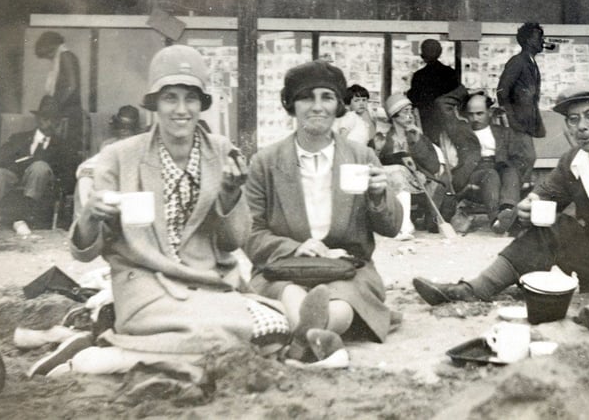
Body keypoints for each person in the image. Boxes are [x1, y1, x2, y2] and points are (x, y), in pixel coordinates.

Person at [50, 45, 293, 377]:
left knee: (275, 327)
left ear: (202, 104)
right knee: (223, 337)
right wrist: (90, 214)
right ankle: (109, 352)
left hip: (209, 283)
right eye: (170, 98)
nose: (181, 110)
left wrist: (230, 194)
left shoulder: (222, 152)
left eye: (191, 98)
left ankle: (117, 352)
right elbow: (85, 254)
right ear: (154, 104)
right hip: (145, 281)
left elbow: (233, 241)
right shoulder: (119, 157)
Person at [413, 82, 589, 334]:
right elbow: (544, 195)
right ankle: (474, 289)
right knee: (552, 226)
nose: (582, 127)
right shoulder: (574, 161)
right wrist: (527, 206)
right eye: (573, 119)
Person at [245, 60, 402, 360]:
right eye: (306, 97)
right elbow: (250, 232)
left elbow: (392, 227)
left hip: (348, 268)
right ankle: (319, 337)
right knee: (290, 293)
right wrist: (296, 247)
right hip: (283, 266)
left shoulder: (361, 155)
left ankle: (305, 339)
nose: (317, 107)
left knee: (341, 302)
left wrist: (380, 196)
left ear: (338, 106)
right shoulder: (265, 162)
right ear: (291, 105)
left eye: (327, 97)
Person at [0, 96, 72, 238]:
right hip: (15, 175)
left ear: (58, 122)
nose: (49, 123)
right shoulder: (19, 138)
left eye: (54, 119)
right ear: (37, 119)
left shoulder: (62, 146)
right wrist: (15, 162)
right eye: (45, 118)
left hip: (42, 181)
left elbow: (67, 172)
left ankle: (21, 220)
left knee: (40, 166)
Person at [373, 93, 445, 239]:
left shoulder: (417, 136)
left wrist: (417, 141)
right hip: (389, 181)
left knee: (398, 172)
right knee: (396, 171)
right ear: (394, 116)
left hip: (418, 182)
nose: (410, 115)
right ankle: (403, 225)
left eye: (411, 111)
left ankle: (403, 225)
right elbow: (375, 161)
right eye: (405, 111)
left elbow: (434, 167)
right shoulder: (384, 137)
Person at [455, 92, 525, 233]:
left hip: (499, 165)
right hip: (475, 171)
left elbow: (518, 157)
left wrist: (513, 169)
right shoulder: (462, 132)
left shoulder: (503, 132)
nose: (475, 118)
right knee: (490, 174)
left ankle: (507, 210)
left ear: (490, 112)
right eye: (471, 114)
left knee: (510, 171)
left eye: (480, 113)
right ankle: (496, 221)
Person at [496, 22, 547, 185]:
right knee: (527, 158)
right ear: (528, 41)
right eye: (538, 37)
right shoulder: (518, 61)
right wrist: (511, 120)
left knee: (524, 159)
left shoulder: (531, 62)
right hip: (517, 123)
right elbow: (502, 91)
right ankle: (513, 196)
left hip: (525, 123)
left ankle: (514, 196)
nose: (542, 41)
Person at [75, 105, 145, 216]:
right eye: (121, 126)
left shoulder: (141, 145)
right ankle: (85, 218)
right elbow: (87, 167)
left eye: (128, 127)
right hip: (110, 187)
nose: (124, 131)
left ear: (135, 129)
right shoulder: (109, 145)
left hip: (133, 189)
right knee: (85, 180)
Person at [35, 31, 84, 155]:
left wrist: (55, 106)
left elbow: (72, 86)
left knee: (66, 151)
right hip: (64, 112)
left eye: (49, 54)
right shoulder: (62, 56)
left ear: (52, 46)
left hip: (68, 112)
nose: (49, 58)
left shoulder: (65, 56)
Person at [406, 39, 459, 142]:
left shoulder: (419, 75)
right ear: (440, 52)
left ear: (423, 55)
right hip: (447, 120)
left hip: (426, 121)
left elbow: (414, 99)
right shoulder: (450, 73)